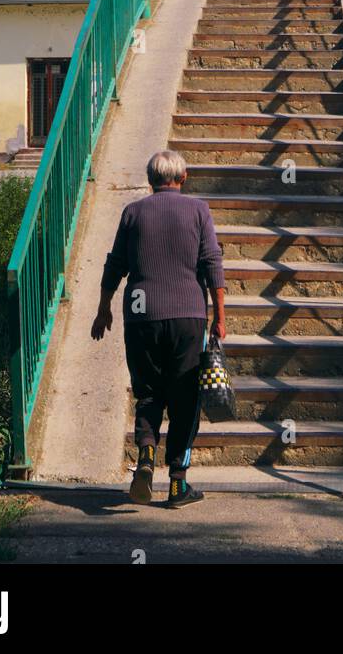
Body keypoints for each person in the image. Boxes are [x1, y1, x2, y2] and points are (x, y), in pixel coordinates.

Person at [90, 149, 225, 509]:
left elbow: (115, 264)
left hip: (140, 314)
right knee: (184, 399)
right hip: (187, 315)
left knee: (148, 393)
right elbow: (212, 263)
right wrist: (221, 318)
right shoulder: (199, 210)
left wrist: (103, 310)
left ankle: (146, 460)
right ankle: (178, 484)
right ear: (183, 177)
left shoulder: (133, 212)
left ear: (151, 179)